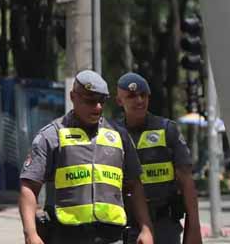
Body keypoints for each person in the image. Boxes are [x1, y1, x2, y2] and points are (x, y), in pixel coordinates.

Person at [18, 70, 154, 244]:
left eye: (101, 101)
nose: (97, 107)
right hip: (67, 236)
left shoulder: (119, 135)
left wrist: (146, 228)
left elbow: (135, 185)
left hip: (112, 237)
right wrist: (30, 233)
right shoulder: (51, 136)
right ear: (73, 97)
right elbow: (29, 186)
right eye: (90, 101)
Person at [113, 72, 202, 244]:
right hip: (126, 225)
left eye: (143, 95)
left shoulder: (167, 130)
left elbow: (186, 181)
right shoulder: (112, 134)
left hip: (165, 225)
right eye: (131, 96)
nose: (139, 100)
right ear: (119, 101)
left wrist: (194, 228)